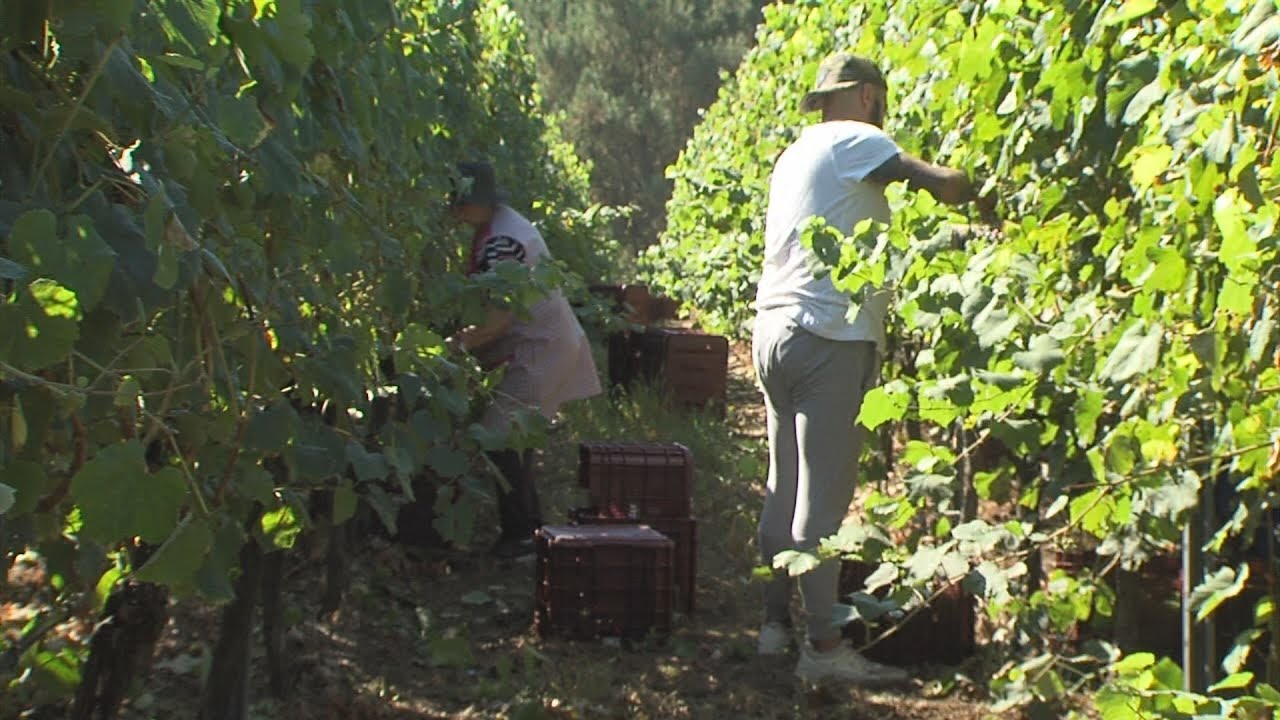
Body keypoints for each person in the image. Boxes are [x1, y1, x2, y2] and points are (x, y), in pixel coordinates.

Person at [752, 53, 997, 684]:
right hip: (826, 336)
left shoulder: (795, 154)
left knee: (783, 485)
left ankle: (773, 629)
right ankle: (823, 650)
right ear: (866, 95)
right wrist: (988, 193)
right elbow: (936, 181)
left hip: (773, 330)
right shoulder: (856, 139)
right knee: (821, 507)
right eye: (880, 98)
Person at [447, 160, 603, 559]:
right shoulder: (500, 226)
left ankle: (520, 536)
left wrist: (454, 347)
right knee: (515, 438)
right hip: (543, 343)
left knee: (499, 436)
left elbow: (498, 319)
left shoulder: (504, 241)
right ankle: (529, 531)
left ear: (478, 202)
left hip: (542, 346)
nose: (456, 212)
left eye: (461, 203)